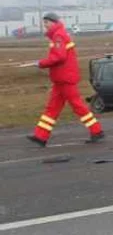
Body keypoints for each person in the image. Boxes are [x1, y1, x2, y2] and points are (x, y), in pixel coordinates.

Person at [27, 12, 105, 147]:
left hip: (65, 78)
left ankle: (96, 130)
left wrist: (41, 63)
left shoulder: (59, 36)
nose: (44, 25)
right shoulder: (58, 35)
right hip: (60, 79)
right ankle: (40, 136)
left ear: (53, 22)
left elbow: (59, 57)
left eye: (46, 22)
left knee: (77, 106)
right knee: (52, 108)